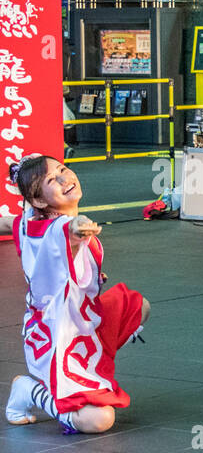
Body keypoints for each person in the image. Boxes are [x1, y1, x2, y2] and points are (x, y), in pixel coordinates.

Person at [6, 155, 150, 434]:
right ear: (38, 201)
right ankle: (29, 391)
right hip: (59, 337)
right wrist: (80, 226)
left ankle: (92, 371)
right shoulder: (63, 227)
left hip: (81, 320)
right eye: (51, 180)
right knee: (98, 420)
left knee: (136, 306)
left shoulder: (28, 223)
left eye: (62, 170)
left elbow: (8, 223)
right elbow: (71, 230)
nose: (64, 179)